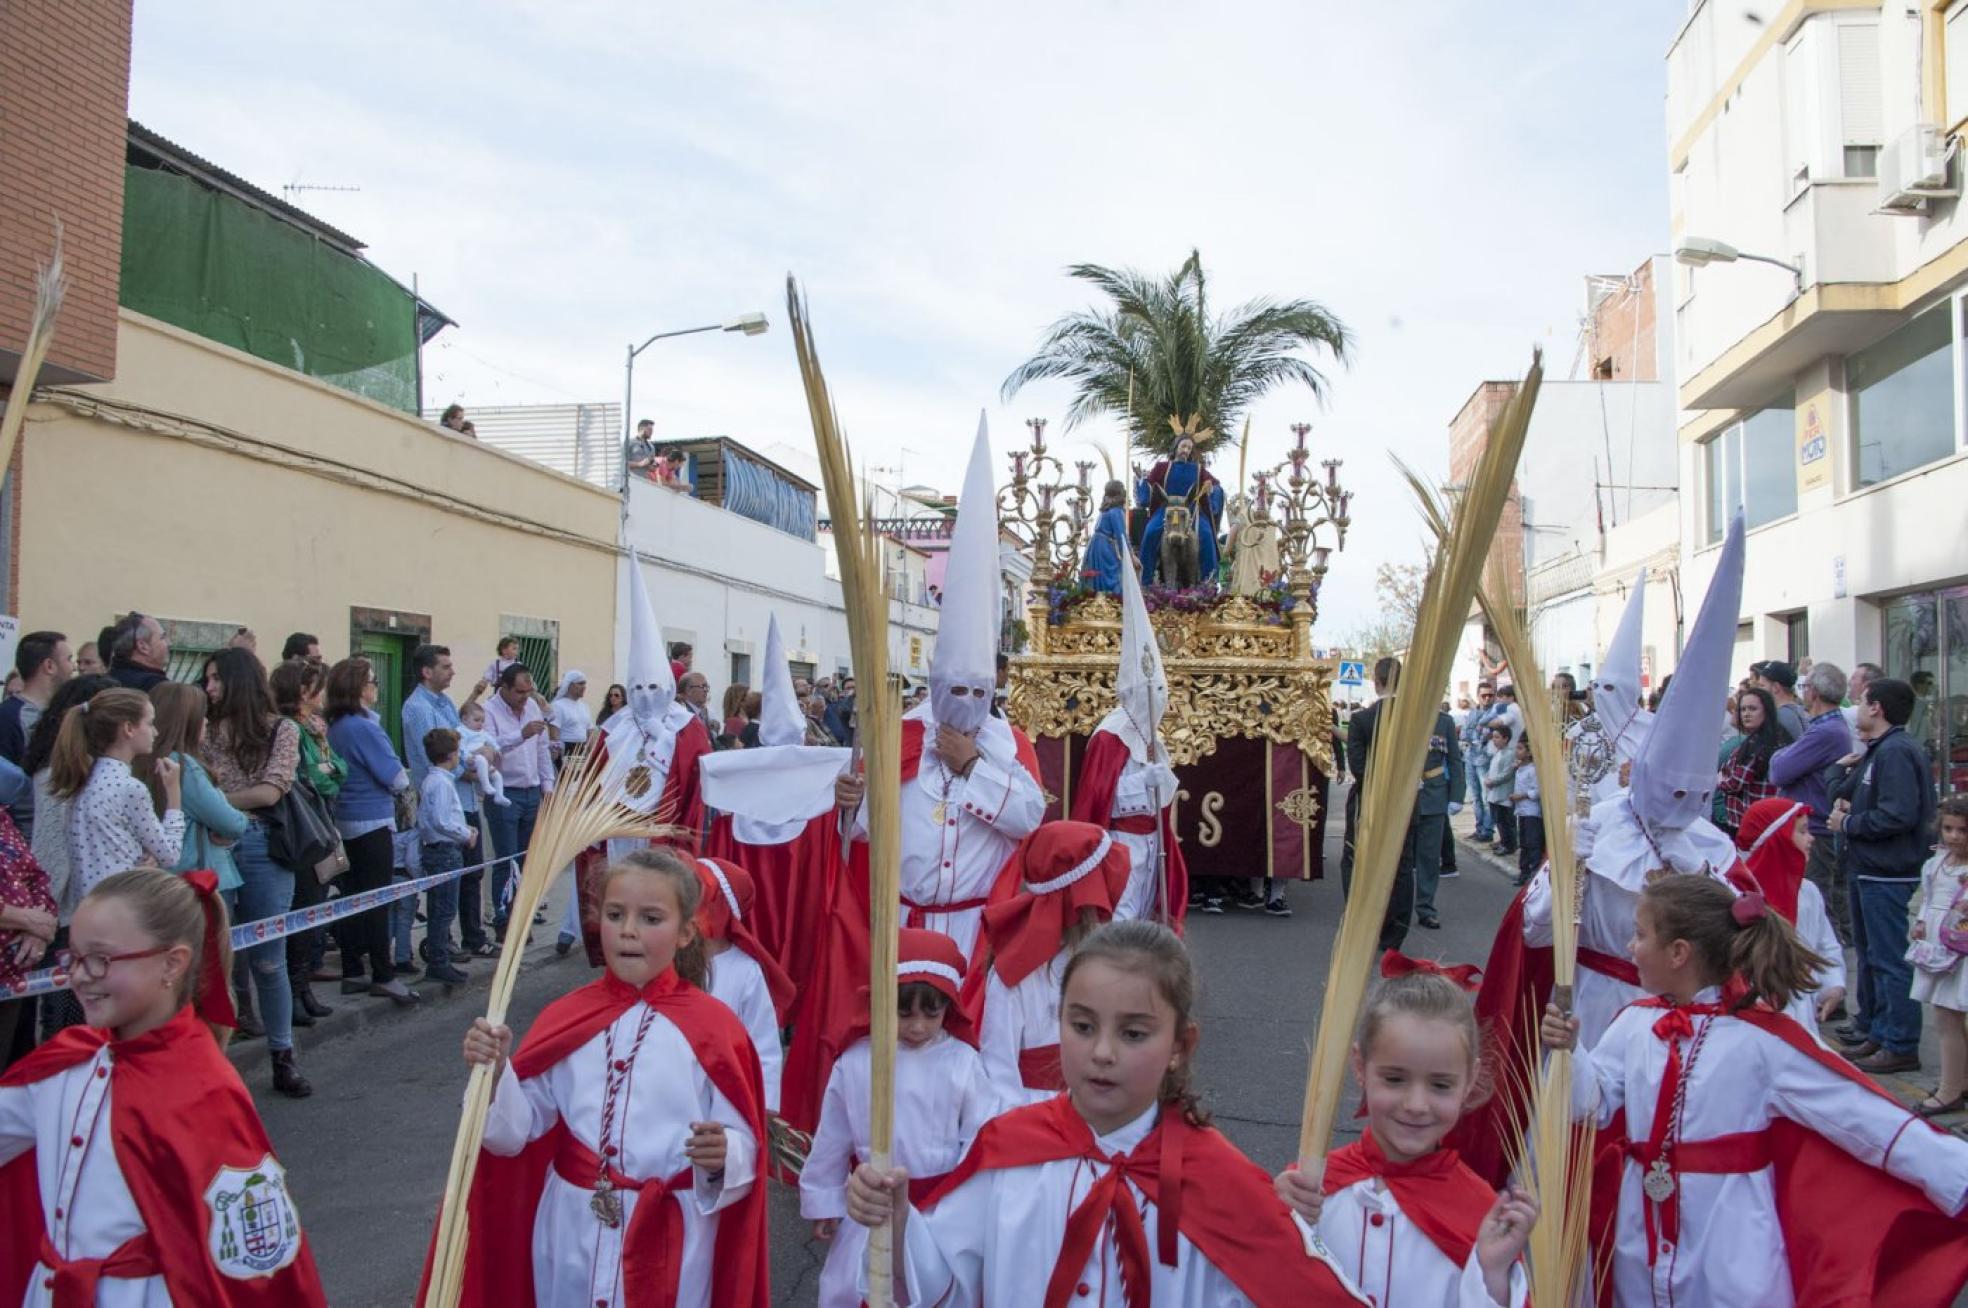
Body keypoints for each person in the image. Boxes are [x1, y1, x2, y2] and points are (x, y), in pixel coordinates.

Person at [843, 920, 1359, 1304]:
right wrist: (897, 1221)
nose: (1103, 1052)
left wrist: (1296, 1224)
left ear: (1180, 1045)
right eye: (1083, 1026)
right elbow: (944, 1284)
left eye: (1133, 1033)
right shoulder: (1009, 1151)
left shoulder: (1219, 1182)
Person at [1540, 875, 1968, 1307]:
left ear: (1678, 953)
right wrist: (1569, 1053)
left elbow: (1862, 1116)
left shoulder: (1763, 1041)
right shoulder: (1634, 1023)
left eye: (1640, 934)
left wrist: (1956, 1173)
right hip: (1641, 1227)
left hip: (1730, 1234)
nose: (1630, 946)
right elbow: (1591, 1106)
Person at [441, 848, 768, 1308]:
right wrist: (496, 1074)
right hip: (571, 1228)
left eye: (651, 918)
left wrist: (724, 1154)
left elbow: (744, 1141)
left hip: (672, 1237)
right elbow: (514, 1134)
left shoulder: (715, 1029)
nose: (629, 930)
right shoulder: (565, 1016)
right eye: (616, 915)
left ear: (685, 933)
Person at [0, 868, 329, 1303]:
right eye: (73, 958)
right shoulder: (67, 1062)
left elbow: (253, 1258)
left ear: (172, 963)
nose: (80, 976)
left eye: (100, 959)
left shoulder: (204, 1092)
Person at [1272, 957, 1534, 1308]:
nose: (1416, 1104)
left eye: (1440, 1085)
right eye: (1395, 1079)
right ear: (1360, 1066)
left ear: (1470, 1080)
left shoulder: (1481, 1213)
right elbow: (1267, 1284)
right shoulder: (1311, 1186)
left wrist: (1493, 1275)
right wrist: (1277, 1220)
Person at [800, 928, 997, 1308]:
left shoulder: (963, 1062)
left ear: (949, 1006)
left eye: (931, 1013)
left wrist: (973, 1206)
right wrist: (824, 1199)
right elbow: (833, 1136)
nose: (917, 1026)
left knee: (931, 1287)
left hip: (940, 1212)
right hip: (871, 1208)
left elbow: (981, 1137)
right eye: (903, 1013)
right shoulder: (858, 1061)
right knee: (856, 1287)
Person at [202, 647, 312, 1097]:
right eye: (207, 679)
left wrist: (211, 800)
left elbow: (270, 792)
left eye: (216, 678)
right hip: (212, 846)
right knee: (217, 961)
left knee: (269, 959)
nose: (209, 688)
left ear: (238, 681)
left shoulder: (281, 729)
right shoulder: (204, 729)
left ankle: (283, 1056)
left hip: (263, 845)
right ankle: (213, 1065)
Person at [1070, 532, 1191, 922]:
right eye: (1152, 691)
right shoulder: (1112, 735)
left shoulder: (1148, 731)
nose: (1159, 699)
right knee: (1121, 916)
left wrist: (1162, 779)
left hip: (1151, 842)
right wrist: (1143, 782)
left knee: (1144, 912)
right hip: (1120, 843)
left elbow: (1164, 793)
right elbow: (1100, 798)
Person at [971, 821, 1130, 1107]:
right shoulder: (1014, 973)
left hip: (1104, 1108)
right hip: (1037, 1111)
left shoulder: (1113, 957)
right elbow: (998, 1071)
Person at [1828, 676, 1936, 1075]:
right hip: (1869, 868)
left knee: (1889, 959)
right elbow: (1846, 793)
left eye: (1861, 701)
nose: (1856, 707)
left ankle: (1900, 1042)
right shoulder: (1881, 750)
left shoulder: (1896, 752)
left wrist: (1850, 823)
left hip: (1886, 870)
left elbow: (1898, 814)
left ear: (1877, 708)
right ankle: (1879, 1029)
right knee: (1873, 956)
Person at [21, 674, 115, 1040]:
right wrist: (42, 918)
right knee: (65, 1022)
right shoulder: (58, 776)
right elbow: (51, 852)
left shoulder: (90, 772)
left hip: (80, 912)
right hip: (64, 917)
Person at [1343, 657, 1462, 944]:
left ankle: (1364, 924)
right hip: (1409, 800)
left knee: (1360, 862)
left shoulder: (1362, 719)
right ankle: (1394, 934)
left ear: (1376, 682)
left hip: (1373, 802)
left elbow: (1359, 768)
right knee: (1402, 867)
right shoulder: (1420, 719)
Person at [325, 657, 419, 1006]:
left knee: (352, 897)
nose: (376, 687)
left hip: (345, 819)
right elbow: (396, 777)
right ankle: (383, 974)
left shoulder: (335, 726)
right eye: (372, 681)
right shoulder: (364, 728)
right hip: (372, 819)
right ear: (359, 688)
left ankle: (353, 969)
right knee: (377, 899)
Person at [403, 643, 494, 959]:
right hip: (445, 801)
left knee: (472, 873)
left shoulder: (445, 702)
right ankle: (441, 945)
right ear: (427, 671)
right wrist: (472, 768)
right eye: (445, 666)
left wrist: (480, 759)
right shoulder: (418, 708)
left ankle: (473, 935)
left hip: (465, 800)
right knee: (447, 882)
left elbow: (460, 742)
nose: (452, 671)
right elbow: (437, 755)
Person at [49, 687, 185, 900]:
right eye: (150, 723)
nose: (155, 732)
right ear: (128, 728)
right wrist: (174, 793)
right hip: (121, 903)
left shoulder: (83, 780)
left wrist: (147, 853)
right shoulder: (129, 788)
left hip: (89, 904)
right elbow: (170, 854)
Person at [269, 659, 342, 1029]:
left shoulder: (316, 731)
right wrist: (329, 773)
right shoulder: (290, 730)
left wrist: (330, 770)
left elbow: (338, 769)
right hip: (300, 829)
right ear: (303, 691)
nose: (324, 694)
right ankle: (294, 993)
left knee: (312, 910)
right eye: (318, 686)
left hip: (319, 822)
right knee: (301, 911)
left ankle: (303, 988)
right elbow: (315, 778)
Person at [1733, 797, 1847, 1034]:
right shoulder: (1739, 898)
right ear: (1777, 840)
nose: (1811, 838)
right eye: (1803, 831)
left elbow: (1825, 945)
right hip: (1752, 1015)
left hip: (1801, 1011)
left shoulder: (1808, 892)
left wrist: (1832, 984)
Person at [693, 857, 794, 1113]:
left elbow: (763, 1045)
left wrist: (765, 1107)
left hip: (725, 1098)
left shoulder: (745, 971)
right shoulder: (665, 958)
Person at [1768, 661, 1855, 947]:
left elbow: (1779, 771)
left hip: (1814, 827)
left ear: (1814, 692)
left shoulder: (1825, 731)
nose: (1802, 692)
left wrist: (1779, 756)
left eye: (1804, 687)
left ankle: (1829, 964)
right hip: (1814, 825)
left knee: (1817, 903)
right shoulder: (1823, 727)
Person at [483, 663, 554, 942]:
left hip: (531, 790)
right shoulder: (489, 711)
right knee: (506, 859)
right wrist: (521, 734)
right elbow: (489, 748)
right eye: (520, 693)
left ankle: (521, 917)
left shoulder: (533, 707)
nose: (525, 698)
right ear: (504, 688)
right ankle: (503, 920)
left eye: (529, 691)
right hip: (505, 792)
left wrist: (548, 786)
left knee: (526, 859)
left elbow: (542, 748)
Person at [1909, 795, 1968, 1115]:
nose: (1954, 836)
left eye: (1962, 830)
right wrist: (1920, 922)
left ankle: (1949, 1090)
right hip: (1937, 945)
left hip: (1960, 948)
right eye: (1948, 829)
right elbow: (1929, 897)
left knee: (1948, 1016)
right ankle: (1960, 1080)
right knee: (1946, 1015)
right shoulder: (1937, 862)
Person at [416, 727, 476, 987]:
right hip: (444, 851)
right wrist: (465, 834)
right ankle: (438, 962)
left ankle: (439, 958)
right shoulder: (440, 783)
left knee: (440, 908)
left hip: (441, 849)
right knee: (444, 909)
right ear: (451, 754)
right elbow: (441, 820)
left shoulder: (435, 780)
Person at [0, 630, 71, 837]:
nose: (73, 667)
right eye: (69, 659)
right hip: (24, 836)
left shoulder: (64, 714)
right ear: (49, 666)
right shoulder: (9, 716)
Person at [1135, 433, 1226, 587]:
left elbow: (1215, 484)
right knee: (1150, 532)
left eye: (1189, 448)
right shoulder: (1162, 467)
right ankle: (1145, 581)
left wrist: (1211, 488)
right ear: (1176, 447)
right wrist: (1140, 478)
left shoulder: (1198, 469)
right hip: (1167, 509)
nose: (1186, 450)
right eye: (1183, 446)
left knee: (1206, 534)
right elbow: (1150, 485)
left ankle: (1209, 581)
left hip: (1191, 510)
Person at [1716, 686, 1785, 836]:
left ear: (1766, 711)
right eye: (1743, 709)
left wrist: (1719, 778)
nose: (1746, 714)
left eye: (1752, 709)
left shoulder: (1757, 745)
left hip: (1750, 822)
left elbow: (1734, 783)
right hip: (1766, 819)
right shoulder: (1776, 737)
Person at [1461, 683, 1497, 844]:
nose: (1487, 698)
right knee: (1475, 796)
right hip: (1470, 757)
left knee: (1486, 796)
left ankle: (1487, 830)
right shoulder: (1473, 713)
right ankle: (1479, 827)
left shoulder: (1496, 713)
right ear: (1478, 697)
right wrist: (1477, 735)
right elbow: (1464, 733)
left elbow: (1487, 735)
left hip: (1486, 759)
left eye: (1490, 695)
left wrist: (1477, 735)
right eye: (1484, 695)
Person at [1079, 479, 1130, 594]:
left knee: (1096, 576)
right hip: (1104, 548)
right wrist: (1130, 557)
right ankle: (1110, 599)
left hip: (1094, 546)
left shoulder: (1105, 511)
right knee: (1112, 574)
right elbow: (1121, 537)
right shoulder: (1116, 511)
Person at [457, 701, 509, 806]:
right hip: (471, 760)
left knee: (497, 775)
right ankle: (485, 785)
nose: (480, 723)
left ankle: (499, 796)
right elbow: (460, 747)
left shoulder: (482, 732)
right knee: (481, 760)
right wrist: (467, 757)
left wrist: (497, 749)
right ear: (464, 719)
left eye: (482, 721)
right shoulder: (461, 731)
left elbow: (491, 740)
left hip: (483, 761)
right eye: (476, 720)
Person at [1506, 735, 1541, 888]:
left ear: (1529, 752)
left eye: (1520, 749)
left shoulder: (1533, 770)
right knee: (1524, 843)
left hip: (1531, 811)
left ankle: (1534, 874)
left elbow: (1537, 791)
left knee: (1533, 843)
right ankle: (1524, 872)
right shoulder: (1520, 768)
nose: (1517, 751)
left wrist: (1521, 796)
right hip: (1522, 811)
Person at [106, 613, 170, 693]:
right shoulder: (155, 685)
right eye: (162, 637)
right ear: (143, 647)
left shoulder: (106, 680)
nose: (169, 643)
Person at [1481, 722, 1518, 858]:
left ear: (1505, 738)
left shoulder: (1510, 754)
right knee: (1499, 820)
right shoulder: (1497, 753)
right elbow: (1492, 770)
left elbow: (1507, 773)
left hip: (1504, 793)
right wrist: (1487, 778)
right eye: (1493, 737)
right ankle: (1503, 841)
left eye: (1497, 737)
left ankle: (1509, 845)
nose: (1494, 740)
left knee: (1505, 821)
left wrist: (1493, 781)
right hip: (1494, 792)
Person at [1751, 659, 1810, 742]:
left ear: (1776, 687)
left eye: (1762, 686)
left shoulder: (1778, 717)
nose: (1759, 690)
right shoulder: (1804, 713)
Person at [548, 669, 594, 764]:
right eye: (580, 683)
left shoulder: (584, 706)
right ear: (570, 685)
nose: (584, 687)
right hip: (565, 751)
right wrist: (559, 755)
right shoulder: (558, 706)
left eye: (584, 684)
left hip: (582, 751)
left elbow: (590, 732)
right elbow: (554, 735)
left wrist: (591, 754)